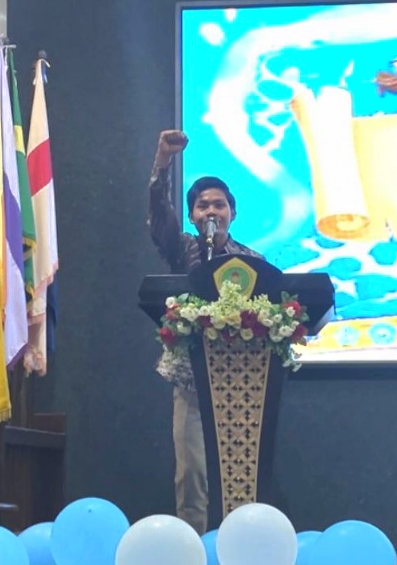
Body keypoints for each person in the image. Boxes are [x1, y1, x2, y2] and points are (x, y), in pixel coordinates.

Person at [147, 129, 263, 534]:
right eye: (202, 206)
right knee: (191, 472)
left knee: (241, 469)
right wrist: (163, 161)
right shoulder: (184, 249)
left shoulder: (253, 261)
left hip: (243, 380)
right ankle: (194, 546)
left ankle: (241, 544)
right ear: (193, 216)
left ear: (232, 212)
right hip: (192, 380)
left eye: (218, 204)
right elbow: (159, 216)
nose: (210, 211)